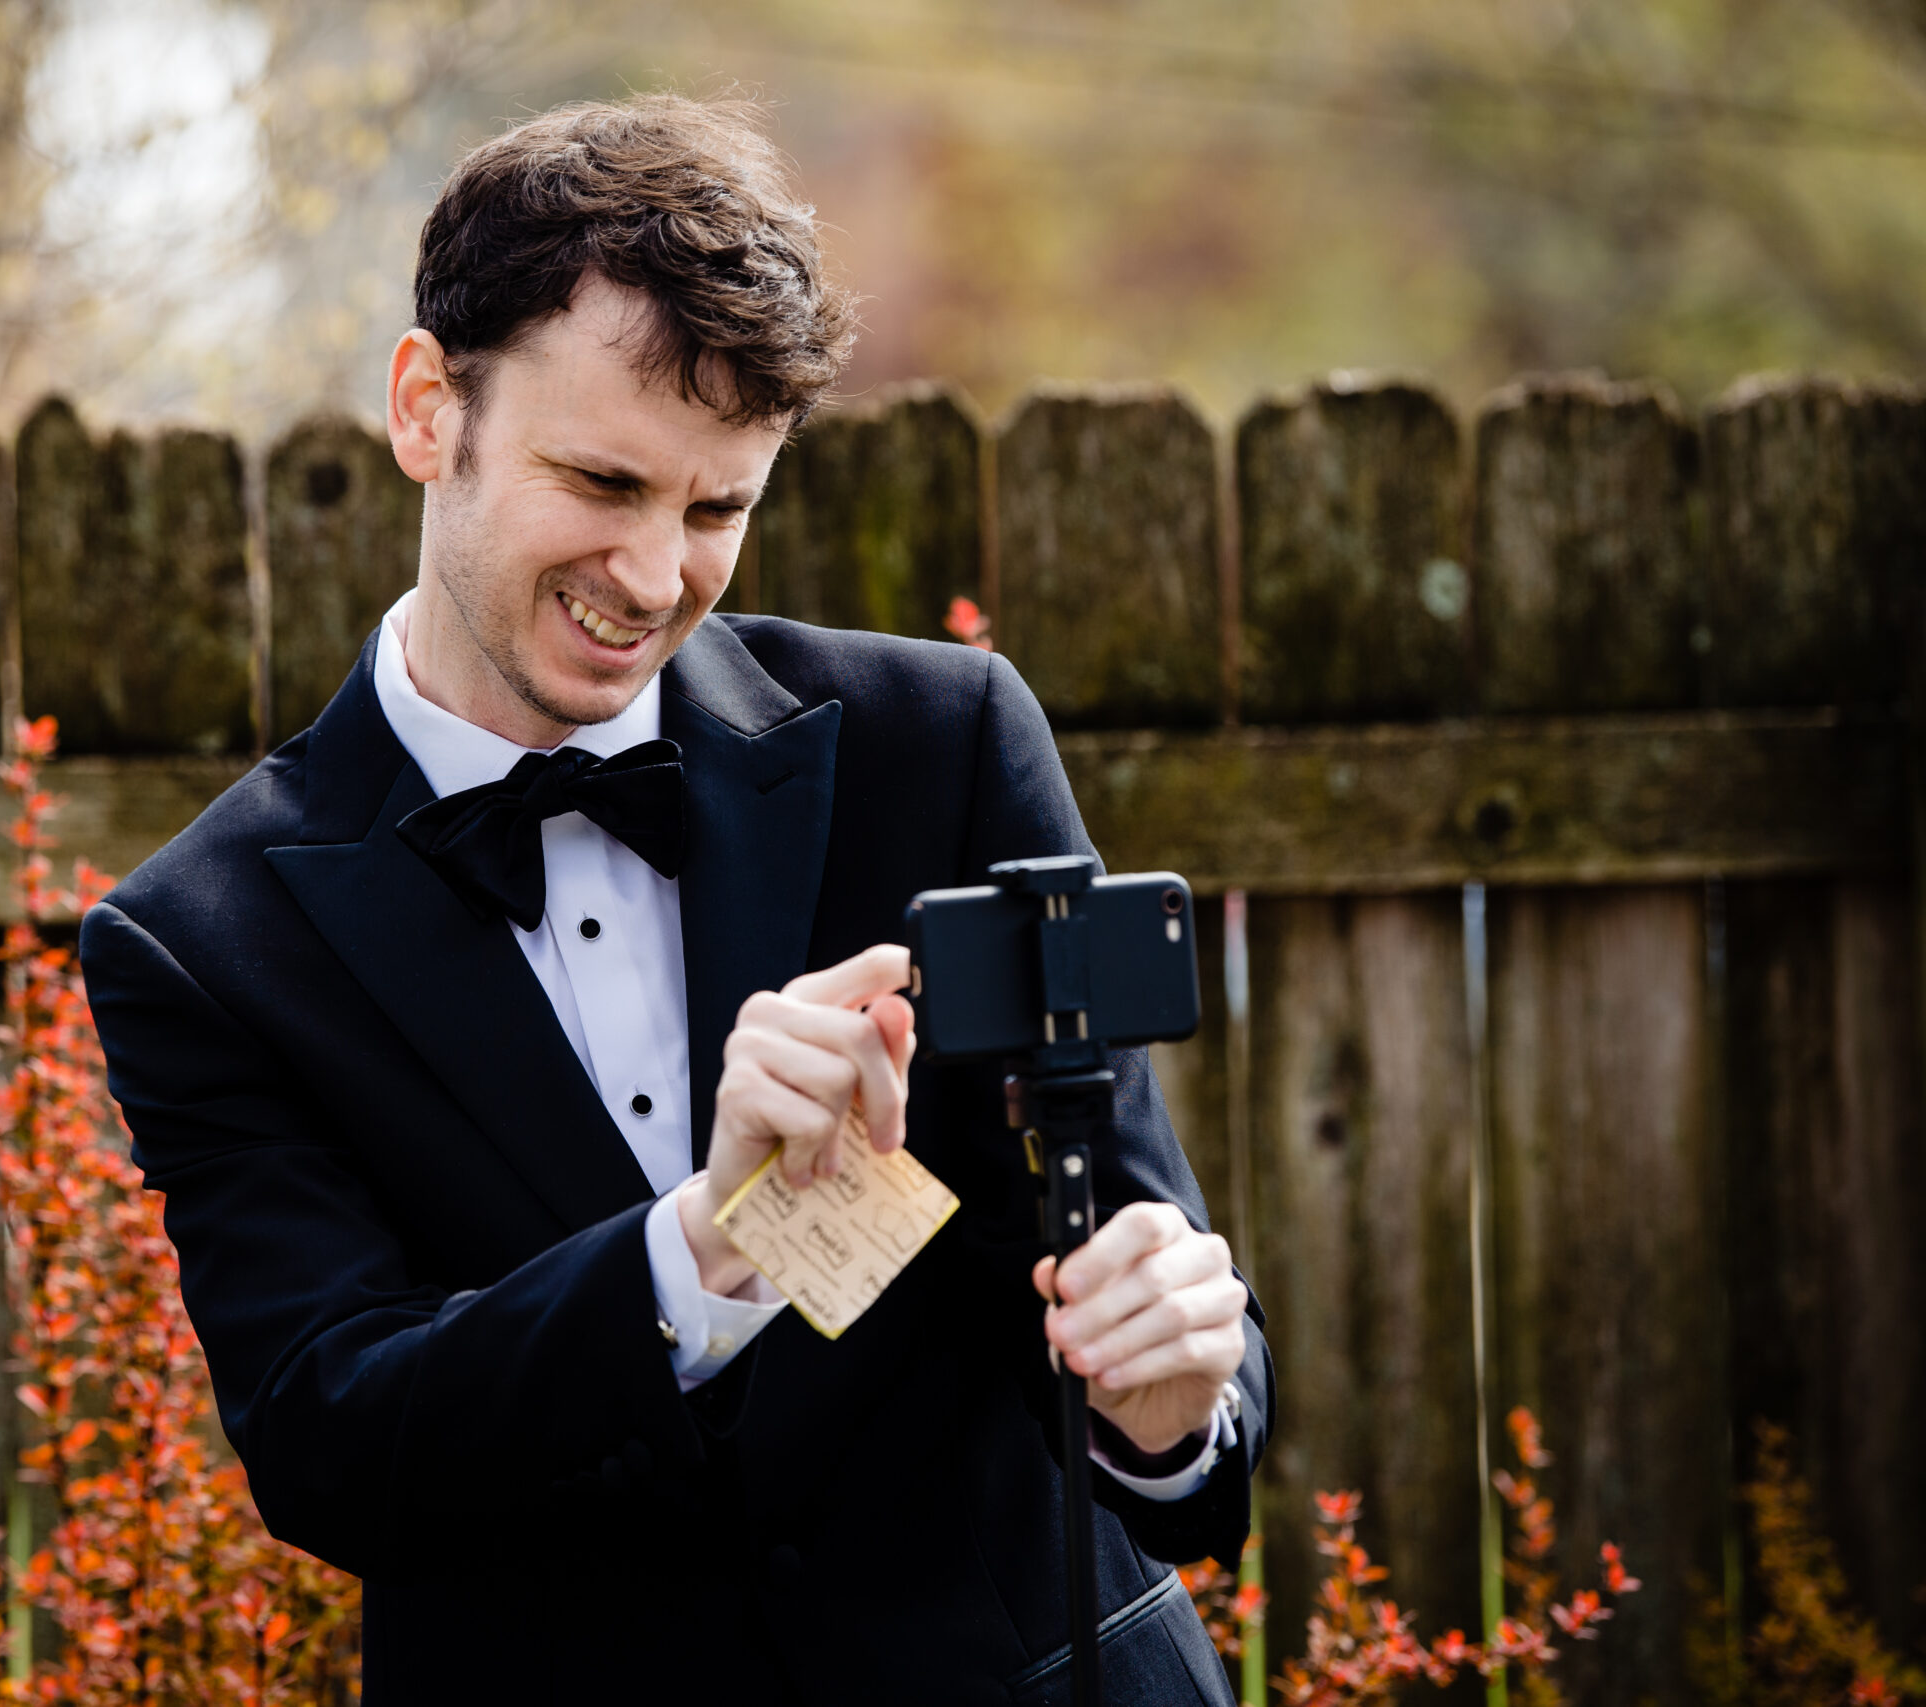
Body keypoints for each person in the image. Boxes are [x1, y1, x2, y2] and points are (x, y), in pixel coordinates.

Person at [79, 93, 1272, 1706]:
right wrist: (701, 1248)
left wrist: (1171, 1400)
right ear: (430, 409)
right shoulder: (204, 938)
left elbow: (1123, 1262)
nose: (653, 578)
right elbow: (333, 1438)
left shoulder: (944, 747)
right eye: (603, 482)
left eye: (716, 511)